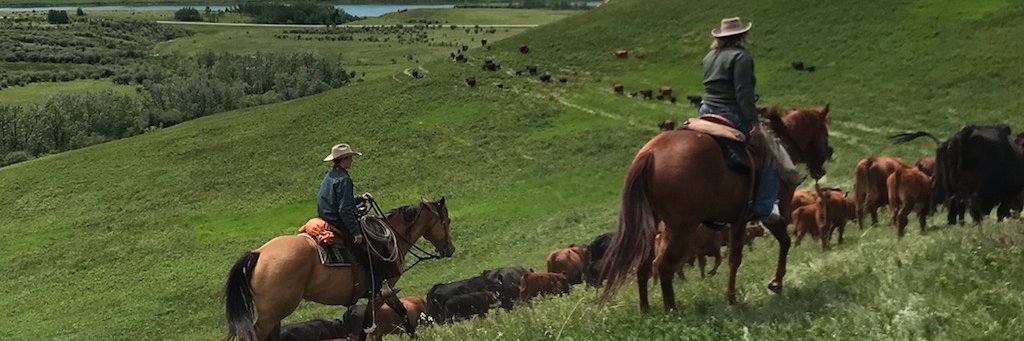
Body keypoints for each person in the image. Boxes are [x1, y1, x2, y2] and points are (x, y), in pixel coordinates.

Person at [699, 17, 783, 224]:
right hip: (731, 112)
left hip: (706, 111)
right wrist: (753, 122)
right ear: (742, 36)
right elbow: (743, 93)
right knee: (772, 152)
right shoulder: (741, 56)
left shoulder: (709, 56)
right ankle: (765, 207)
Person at [317, 143, 398, 300]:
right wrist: (355, 232)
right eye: (350, 158)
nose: (352, 161)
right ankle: (375, 287)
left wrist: (359, 199)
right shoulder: (344, 179)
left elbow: (340, 201)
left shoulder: (331, 176)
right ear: (343, 159)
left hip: (327, 217)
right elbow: (344, 210)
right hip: (338, 220)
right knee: (372, 246)